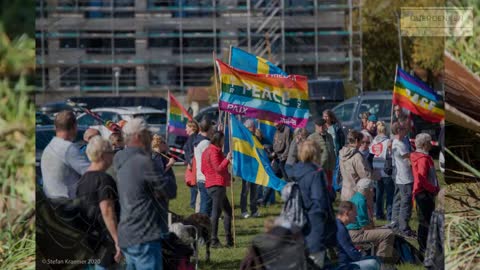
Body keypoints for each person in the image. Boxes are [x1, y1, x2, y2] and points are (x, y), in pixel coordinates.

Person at [113, 118, 167, 269]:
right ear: (138, 136)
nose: (151, 137)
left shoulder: (118, 158)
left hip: (126, 230)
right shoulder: (144, 161)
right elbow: (167, 190)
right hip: (145, 232)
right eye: (148, 134)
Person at [76, 136, 122, 269]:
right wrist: (117, 240)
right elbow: (107, 210)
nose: (113, 156)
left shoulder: (82, 180)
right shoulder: (104, 179)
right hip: (104, 240)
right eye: (111, 153)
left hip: (88, 240)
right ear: (103, 155)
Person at [290, 140, 337, 268]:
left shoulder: (296, 172)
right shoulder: (316, 173)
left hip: (298, 228)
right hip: (314, 230)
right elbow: (319, 203)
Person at [41, 110, 90, 199]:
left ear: (55, 127)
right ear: (74, 126)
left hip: (50, 202)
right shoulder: (68, 148)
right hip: (66, 205)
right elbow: (91, 172)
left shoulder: (49, 147)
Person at [347, 178, 396, 263]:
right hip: (357, 234)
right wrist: (377, 229)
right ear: (369, 189)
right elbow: (365, 226)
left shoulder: (355, 197)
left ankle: (378, 257)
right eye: (372, 189)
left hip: (351, 232)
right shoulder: (361, 201)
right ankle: (381, 261)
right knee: (388, 233)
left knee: (382, 232)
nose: (373, 191)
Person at [201, 131, 234, 248]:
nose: (223, 142)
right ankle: (214, 240)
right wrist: (227, 159)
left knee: (228, 211)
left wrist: (228, 177)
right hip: (216, 185)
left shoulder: (207, 151)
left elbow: (203, 169)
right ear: (218, 140)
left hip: (212, 184)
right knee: (216, 213)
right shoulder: (213, 151)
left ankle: (229, 239)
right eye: (222, 140)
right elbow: (219, 168)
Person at [410, 133, 440, 255]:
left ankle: (426, 245)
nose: (431, 144)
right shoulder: (422, 159)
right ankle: (424, 247)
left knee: (426, 220)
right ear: (423, 144)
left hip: (424, 193)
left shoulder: (423, 157)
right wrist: (433, 189)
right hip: (423, 193)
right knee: (425, 222)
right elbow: (421, 178)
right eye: (429, 142)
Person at [336, 201, 381, 270]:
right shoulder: (340, 229)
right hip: (344, 265)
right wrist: (362, 256)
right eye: (354, 212)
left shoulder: (338, 225)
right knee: (373, 262)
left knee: (375, 259)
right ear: (346, 212)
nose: (356, 215)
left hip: (344, 262)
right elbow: (353, 255)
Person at [389, 122, 415, 237]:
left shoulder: (402, 140)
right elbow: (409, 158)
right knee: (406, 202)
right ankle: (403, 228)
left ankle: (395, 224)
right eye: (403, 129)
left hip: (401, 177)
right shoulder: (399, 144)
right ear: (399, 131)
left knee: (398, 200)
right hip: (405, 178)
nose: (406, 130)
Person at [151, 134, 177, 233]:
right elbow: (160, 172)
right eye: (164, 142)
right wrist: (169, 164)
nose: (166, 144)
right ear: (159, 143)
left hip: (162, 189)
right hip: (161, 189)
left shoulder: (160, 155)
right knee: (162, 212)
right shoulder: (156, 156)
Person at [339, 130, 373, 202]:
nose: (361, 144)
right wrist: (373, 175)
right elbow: (365, 176)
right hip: (356, 193)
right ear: (357, 141)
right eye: (361, 142)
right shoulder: (357, 156)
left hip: (345, 191)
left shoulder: (342, 154)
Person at [370, 121, 394, 221]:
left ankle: (378, 213)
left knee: (379, 194)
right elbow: (391, 155)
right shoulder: (388, 141)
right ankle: (389, 215)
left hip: (376, 170)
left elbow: (371, 155)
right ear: (386, 130)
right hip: (386, 171)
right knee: (389, 195)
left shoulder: (373, 141)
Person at [307, 118, 336, 191]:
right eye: (319, 126)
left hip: (329, 165)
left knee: (329, 184)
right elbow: (309, 153)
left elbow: (332, 149)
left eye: (323, 126)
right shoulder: (311, 137)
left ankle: (329, 197)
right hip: (319, 166)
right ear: (315, 126)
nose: (321, 128)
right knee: (321, 185)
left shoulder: (329, 136)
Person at [194, 119, 213, 216]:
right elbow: (210, 160)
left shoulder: (198, 140)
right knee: (206, 206)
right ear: (209, 128)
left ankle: (202, 226)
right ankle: (202, 227)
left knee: (205, 204)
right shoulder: (206, 143)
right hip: (206, 178)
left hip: (201, 177)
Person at [241, 119, 260, 219]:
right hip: (247, 168)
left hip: (255, 168)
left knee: (254, 190)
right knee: (245, 190)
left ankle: (254, 209)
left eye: (254, 126)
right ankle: (243, 210)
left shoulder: (256, 137)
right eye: (252, 127)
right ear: (247, 128)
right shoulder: (243, 139)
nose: (254, 128)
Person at [183, 120, 199, 210]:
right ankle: (193, 202)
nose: (185, 129)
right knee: (191, 183)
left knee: (193, 183)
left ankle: (194, 203)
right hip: (191, 163)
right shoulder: (191, 137)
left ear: (192, 128)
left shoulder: (193, 138)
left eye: (187, 127)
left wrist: (190, 162)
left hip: (193, 164)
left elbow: (193, 152)